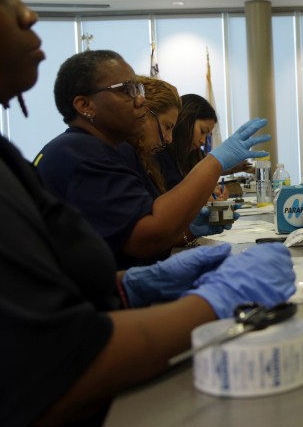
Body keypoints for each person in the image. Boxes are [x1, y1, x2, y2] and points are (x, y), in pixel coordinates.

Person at [0, 0, 296, 426]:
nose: (28, 13)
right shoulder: (76, 153)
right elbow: (47, 363)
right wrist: (217, 301)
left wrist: (126, 287)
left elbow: (56, 286)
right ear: (85, 106)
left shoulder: (28, 157)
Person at [34, 50, 270, 269]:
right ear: (86, 105)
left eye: (139, 90)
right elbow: (145, 238)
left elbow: (134, 231)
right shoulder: (80, 153)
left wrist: (188, 230)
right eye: (126, 90)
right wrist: (214, 162)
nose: (140, 101)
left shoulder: (110, 150)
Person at [155, 93, 230, 198]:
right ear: (186, 119)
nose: (203, 141)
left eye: (207, 136)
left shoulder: (196, 155)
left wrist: (214, 189)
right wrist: (201, 197)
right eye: (202, 131)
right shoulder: (159, 154)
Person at [120, 75, 182, 196]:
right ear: (145, 113)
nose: (169, 139)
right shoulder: (122, 154)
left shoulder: (145, 159)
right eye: (167, 127)